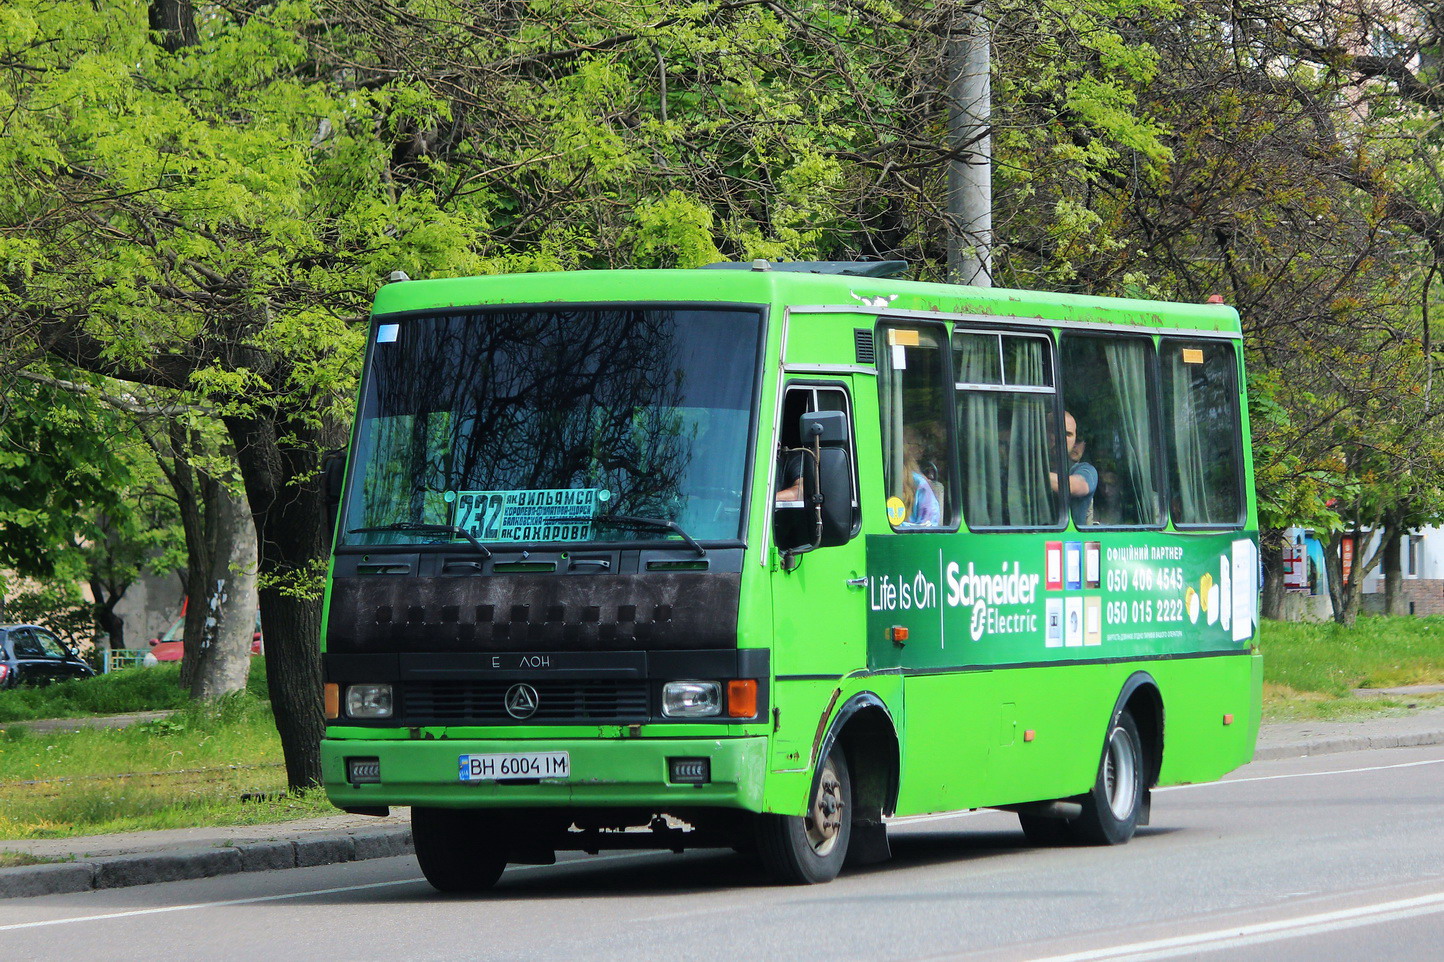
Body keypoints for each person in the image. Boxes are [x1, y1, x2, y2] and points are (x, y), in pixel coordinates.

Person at [1050, 410, 1097, 527]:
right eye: (1054, 431)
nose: (1061, 439)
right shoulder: (1025, 465)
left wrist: (1033, 474)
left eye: (1068, 434)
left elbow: (1075, 486)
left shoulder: (1085, 470)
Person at [900, 426, 940, 525]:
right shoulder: (879, 481)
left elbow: (928, 524)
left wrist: (899, 526)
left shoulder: (918, 483)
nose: (920, 450)